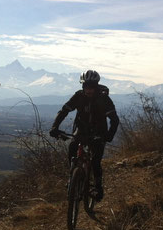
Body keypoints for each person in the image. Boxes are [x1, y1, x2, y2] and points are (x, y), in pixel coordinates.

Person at [49, 70, 119, 201]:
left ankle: (98, 187)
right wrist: (55, 127)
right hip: (81, 129)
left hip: (99, 132)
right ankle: (73, 177)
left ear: (96, 86)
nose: (89, 89)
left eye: (92, 86)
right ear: (83, 86)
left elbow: (114, 120)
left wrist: (109, 135)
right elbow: (64, 111)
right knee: (72, 147)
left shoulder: (104, 99)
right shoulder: (78, 96)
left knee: (95, 161)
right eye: (86, 86)